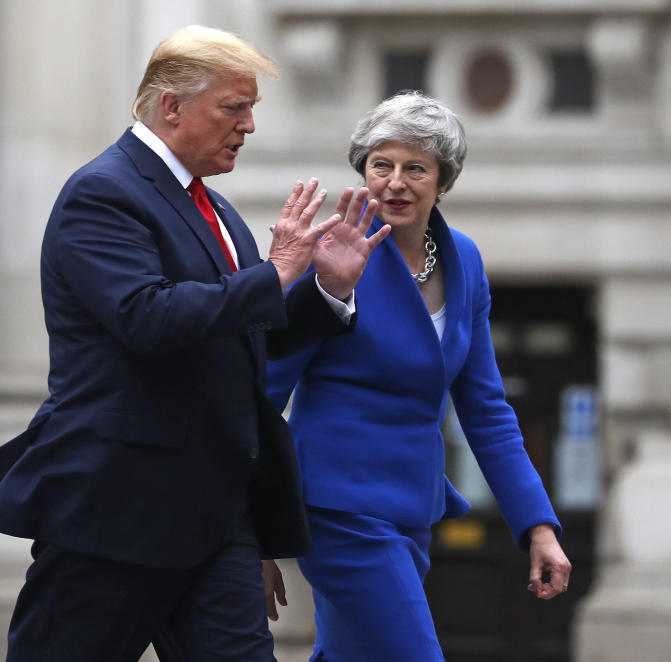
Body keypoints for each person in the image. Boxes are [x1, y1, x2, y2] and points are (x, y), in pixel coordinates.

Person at [0, 25, 389, 662]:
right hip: (115, 511)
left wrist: (325, 289)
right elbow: (147, 318)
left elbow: (240, 329)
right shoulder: (102, 193)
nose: (249, 127)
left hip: (218, 518)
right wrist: (275, 273)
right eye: (233, 108)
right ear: (171, 106)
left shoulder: (215, 208)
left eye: (252, 110)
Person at [264, 91, 572, 661]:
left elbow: (486, 410)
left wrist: (538, 526)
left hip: (413, 512)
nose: (395, 182)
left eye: (415, 168)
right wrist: (252, 531)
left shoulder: (466, 262)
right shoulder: (331, 254)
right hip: (338, 511)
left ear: (443, 181)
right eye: (381, 165)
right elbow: (263, 390)